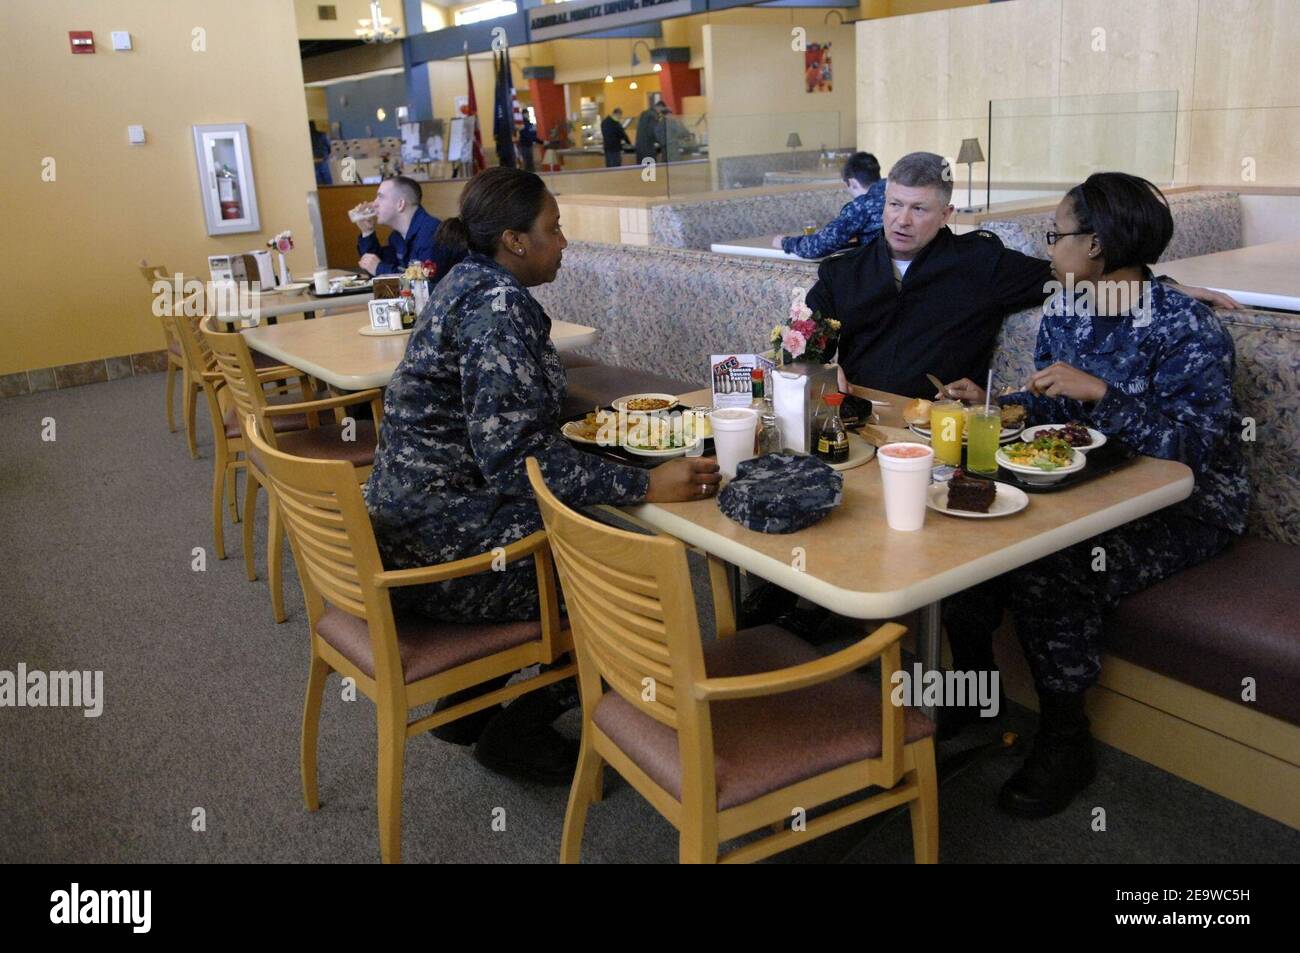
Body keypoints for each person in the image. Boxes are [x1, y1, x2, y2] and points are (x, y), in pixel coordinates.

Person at [363, 167, 721, 783]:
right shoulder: (499, 307)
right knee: (623, 573)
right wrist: (644, 484)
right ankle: (521, 729)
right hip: (443, 556)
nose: (564, 242)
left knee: (591, 529)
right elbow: (513, 459)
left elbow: (505, 423)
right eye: (553, 230)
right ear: (515, 241)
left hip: (407, 528)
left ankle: (465, 705)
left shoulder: (464, 284)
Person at [938, 173, 1250, 818]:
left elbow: (1199, 449)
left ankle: (1065, 737)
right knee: (963, 527)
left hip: (1187, 505)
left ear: (1100, 245)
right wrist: (998, 402)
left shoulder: (1188, 329)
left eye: (1058, 235)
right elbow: (1058, 396)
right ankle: (972, 693)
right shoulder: (1067, 307)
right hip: (1090, 483)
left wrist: (1105, 396)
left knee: (1052, 565)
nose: (1050, 249)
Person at [773, 151, 886, 258]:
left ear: (852, 183)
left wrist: (785, 242)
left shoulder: (861, 206)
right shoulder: (893, 191)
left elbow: (820, 245)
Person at [351, 176, 458, 279]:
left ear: (400, 204)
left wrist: (379, 268)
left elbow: (424, 282)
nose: (374, 204)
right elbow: (376, 270)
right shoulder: (396, 237)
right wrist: (367, 232)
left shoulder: (431, 233)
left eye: (380, 197)